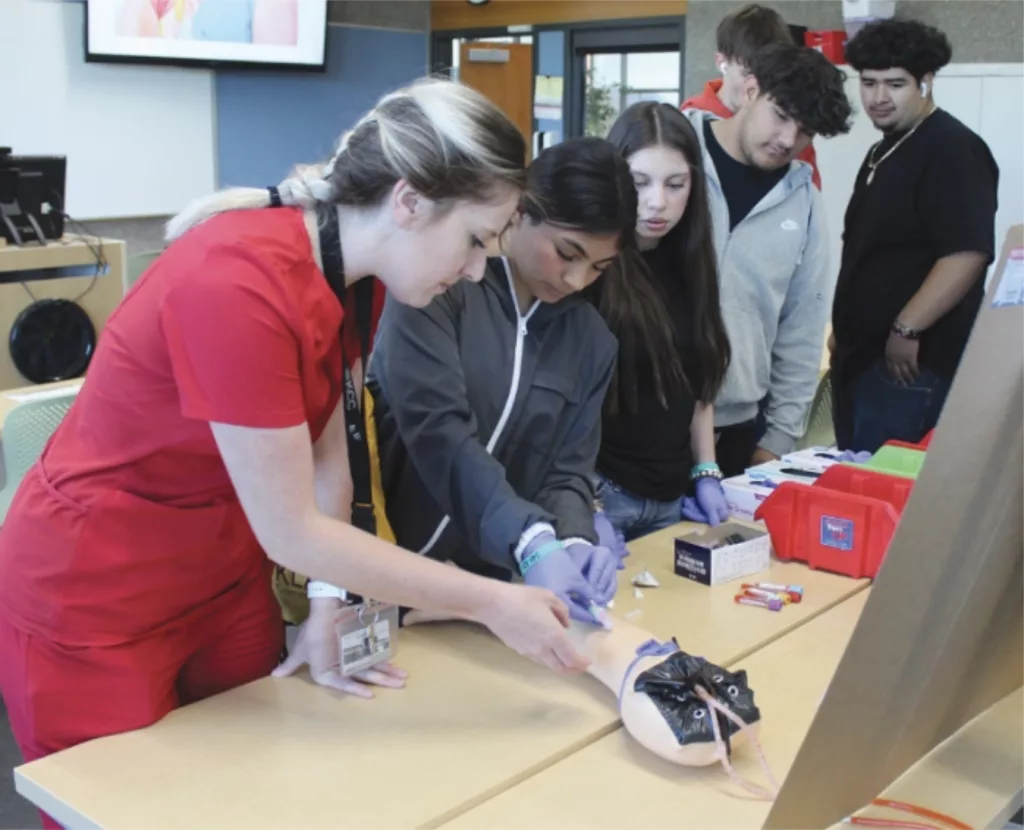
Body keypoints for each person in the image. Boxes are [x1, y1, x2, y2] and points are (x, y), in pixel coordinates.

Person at [0, 79, 593, 815]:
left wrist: (325, 602)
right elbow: (291, 528)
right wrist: (491, 602)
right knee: (128, 805)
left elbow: (328, 458)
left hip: (219, 577)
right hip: (98, 594)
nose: (475, 271)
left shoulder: (355, 276)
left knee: (257, 789)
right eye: (475, 240)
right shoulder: (237, 282)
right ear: (408, 202)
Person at [363, 137, 633, 624]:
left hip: (482, 598)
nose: (576, 280)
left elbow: (567, 470)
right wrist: (532, 542)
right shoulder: (438, 286)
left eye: (598, 267)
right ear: (521, 212)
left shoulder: (591, 341)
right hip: (379, 571)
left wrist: (573, 539)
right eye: (566, 253)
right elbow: (440, 433)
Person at [680, 44, 851, 477]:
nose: (788, 140)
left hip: (740, 426)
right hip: (642, 415)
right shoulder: (675, 157)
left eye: (806, 131)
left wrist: (777, 440)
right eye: (781, 115)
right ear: (750, 90)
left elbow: (802, 326)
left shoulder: (805, 203)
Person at [830, 19, 998, 453]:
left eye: (895, 84)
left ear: (926, 82)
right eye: (868, 83)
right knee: (858, 480)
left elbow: (966, 253)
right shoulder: (883, 148)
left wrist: (907, 328)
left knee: (889, 495)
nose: (878, 98)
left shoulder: (952, 148)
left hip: (910, 365)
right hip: (864, 358)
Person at [590, 102, 732, 540]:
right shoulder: (590, 268)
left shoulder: (692, 265)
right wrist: (584, 502)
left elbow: (698, 379)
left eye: (675, 184)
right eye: (639, 183)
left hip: (674, 498)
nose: (657, 203)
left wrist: (706, 470)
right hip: (604, 496)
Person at [681, 3, 822, 190]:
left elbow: (808, 196)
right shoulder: (688, 123)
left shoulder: (792, 130)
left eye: (767, 76)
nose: (756, 86)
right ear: (722, 63)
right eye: (748, 74)